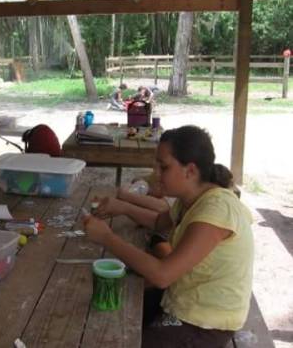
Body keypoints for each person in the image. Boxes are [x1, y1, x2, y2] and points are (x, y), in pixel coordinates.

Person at [83, 125, 254, 348]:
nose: (156, 174)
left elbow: (163, 275)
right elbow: (157, 222)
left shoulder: (217, 209)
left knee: (118, 337)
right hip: (182, 301)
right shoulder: (191, 198)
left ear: (190, 171)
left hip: (205, 324)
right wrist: (122, 207)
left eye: (163, 167)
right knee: (107, 312)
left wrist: (106, 237)